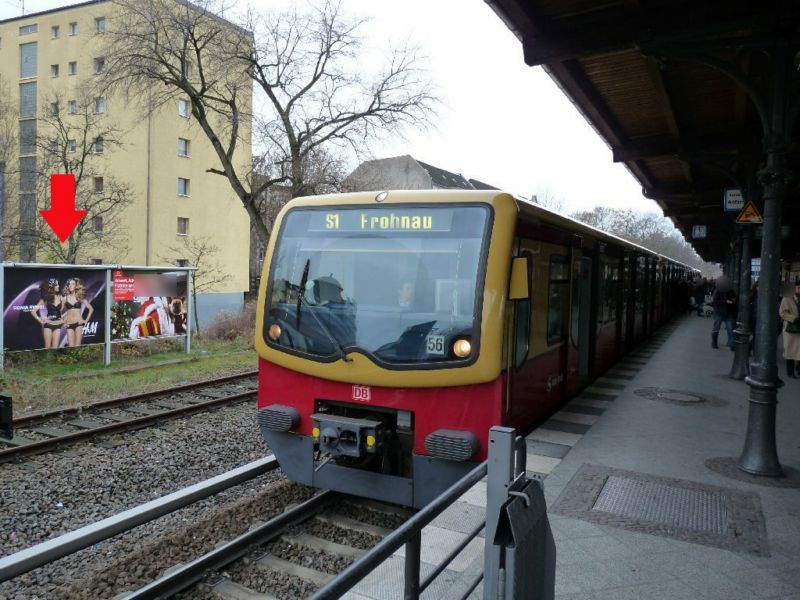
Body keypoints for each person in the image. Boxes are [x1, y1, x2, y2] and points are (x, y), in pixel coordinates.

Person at [29, 278, 64, 349]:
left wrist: (62, 320)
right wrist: (41, 321)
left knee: (55, 348)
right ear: (52, 286)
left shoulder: (61, 297)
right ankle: (47, 360)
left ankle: (53, 360)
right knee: (47, 348)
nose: (58, 286)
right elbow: (33, 311)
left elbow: (60, 311)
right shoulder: (46, 298)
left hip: (58, 325)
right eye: (56, 285)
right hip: (48, 325)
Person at [62, 277, 94, 347]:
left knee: (77, 347)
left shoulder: (79, 297)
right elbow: (59, 311)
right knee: (71, 348)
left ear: (76, 286)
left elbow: (91, 309)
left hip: (79, 324)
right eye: (69, 284)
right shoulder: (65, 298)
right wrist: (63, 323)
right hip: (69, 324)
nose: (70, 286)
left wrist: (86, 321)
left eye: (73, 284)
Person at [779, 279, 800, 378]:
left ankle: (799, 370)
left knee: (798, 351)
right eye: (799, 287)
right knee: (790, 350)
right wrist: (794, 318)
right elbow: (782, 313)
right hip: (791, 328)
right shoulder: (787, 298)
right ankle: (790, 372)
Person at [711, 275, 736, 350]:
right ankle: (714, 342)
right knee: (716, 328)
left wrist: (733, 300)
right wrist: (725, 301)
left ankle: (731, 344)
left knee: (730, 329)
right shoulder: (718, 290)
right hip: (719, 312)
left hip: (728, 312)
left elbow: (734, 298)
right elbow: (715, 301)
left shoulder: (731, 290)